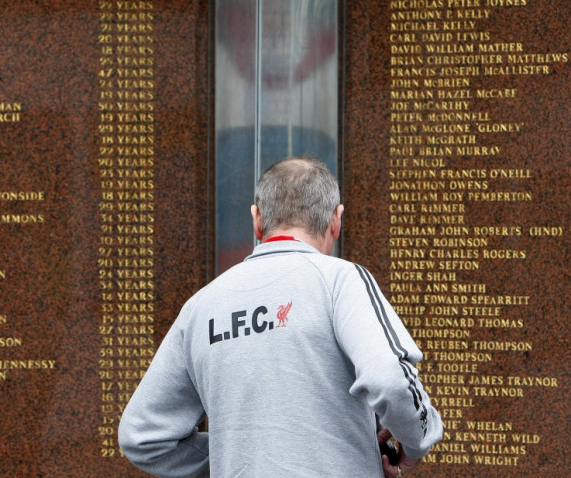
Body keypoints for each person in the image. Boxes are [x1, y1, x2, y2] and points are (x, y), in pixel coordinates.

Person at [118, 156, 443, 477]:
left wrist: (243, 455)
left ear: (257, 220)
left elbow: (142, 437)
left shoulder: (200, 306)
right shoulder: (340, 280)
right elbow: (391, 378)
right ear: (336, 220)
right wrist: (417, 443)